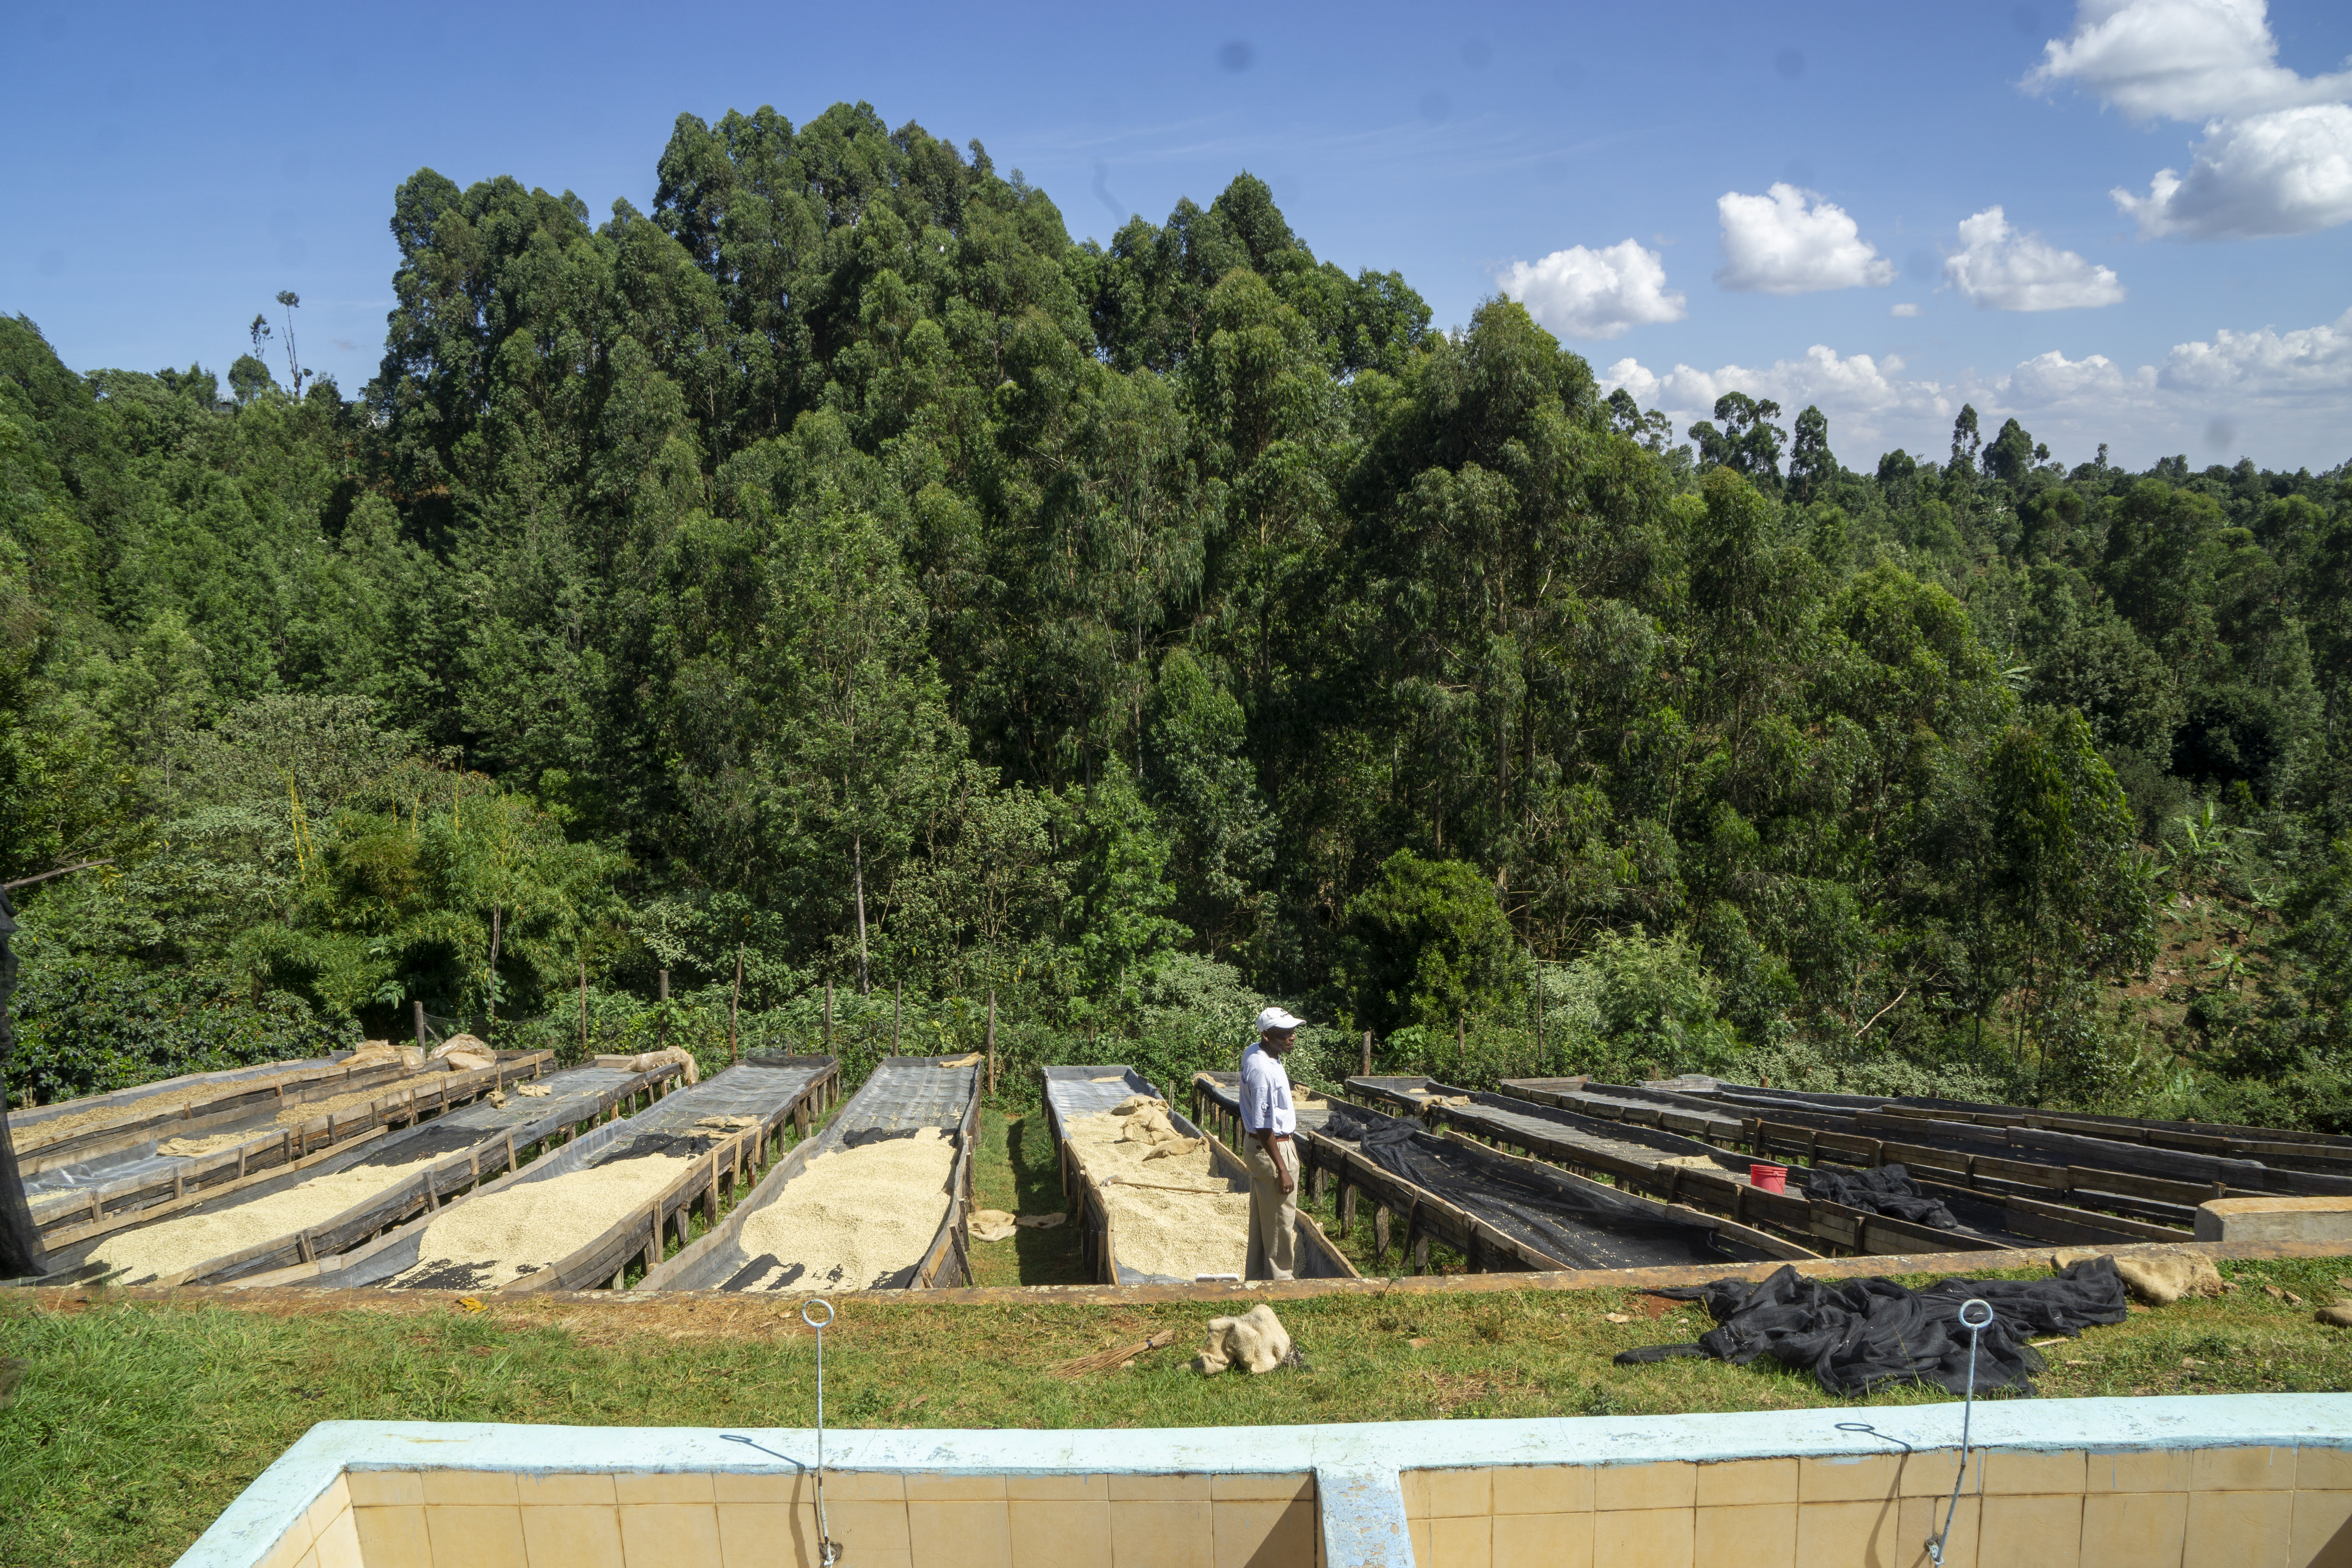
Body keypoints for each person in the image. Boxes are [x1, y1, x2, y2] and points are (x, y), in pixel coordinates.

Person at [1240, 1005, 1303, 1281]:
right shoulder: (1263, 1071)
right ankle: (1280, 1284)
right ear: (1267, 1035)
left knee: (1263, 1221)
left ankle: (1255, 1279)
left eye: (1293, 1031)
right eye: (1284, 1033)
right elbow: (1264, 1124)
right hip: (1272, 1148)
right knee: (1280, 1223)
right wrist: (1282, 1169)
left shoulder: (1255, 1051)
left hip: (1259, 1147)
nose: (1292, 1037)